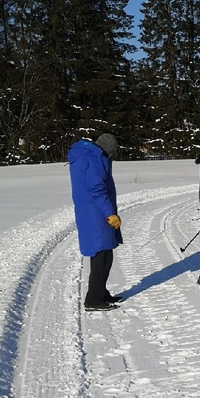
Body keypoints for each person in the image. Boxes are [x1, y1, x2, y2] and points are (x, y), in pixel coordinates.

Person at [68, 132, 123, 310]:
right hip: (96, 213)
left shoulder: (85, 155)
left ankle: (100, 292)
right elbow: (97, 189)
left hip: (90, 212)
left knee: (104, 254)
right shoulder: (95, 159)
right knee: (102, 256)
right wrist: (109, 213)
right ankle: (93, 300)